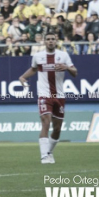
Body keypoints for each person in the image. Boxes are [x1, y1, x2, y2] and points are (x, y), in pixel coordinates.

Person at [19, 32, 77, 164]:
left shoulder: (63, 55)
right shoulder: (38, 56)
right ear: (44, 41)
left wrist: (67, 68)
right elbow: (34, 69)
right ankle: (44, 156)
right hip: (44, 95)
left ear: (56, 41)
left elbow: (75, 72)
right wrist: (22, 77)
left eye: (53, 39)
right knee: (46, 122)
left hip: (59, 96)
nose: (51, 41)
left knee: (57, 129)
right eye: (48, 39)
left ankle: (49, 153)